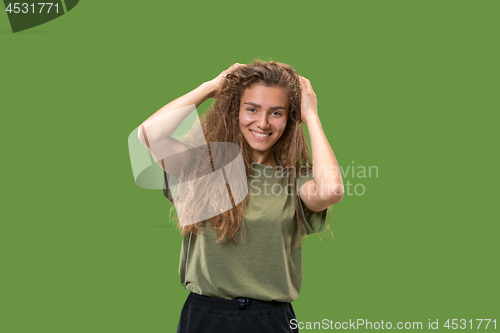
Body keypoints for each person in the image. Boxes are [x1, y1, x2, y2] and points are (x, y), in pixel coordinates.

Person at [137, 60, 344, 333]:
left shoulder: (296, 179)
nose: (263, 123)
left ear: (291, 118)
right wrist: (210, 87)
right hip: (206, 317)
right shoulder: (201, 166)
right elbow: (150, 134)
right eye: (252, 109)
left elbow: (331, 191)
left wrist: (312, 116)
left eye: (277, 112)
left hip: (272, 320)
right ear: (235, 110)